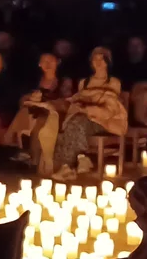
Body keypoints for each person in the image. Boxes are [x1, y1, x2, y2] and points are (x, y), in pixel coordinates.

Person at [52, 47, 128, 181]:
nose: (98, 62)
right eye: (95, 59)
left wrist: (88, 102)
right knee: (74, 122)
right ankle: (80, 159)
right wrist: (84, 101)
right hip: (84, 117)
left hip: (104, 119)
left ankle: (69, 166)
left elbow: (109, 102)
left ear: (107, 62)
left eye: (101, 59)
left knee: (78, 121)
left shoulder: (113, 81)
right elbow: (79, 100)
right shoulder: (84, 82)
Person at [3, 53, 73, 174]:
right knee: (25, 111)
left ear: (57, 62)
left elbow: (66, 101)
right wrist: (30, 98)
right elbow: (22, 99)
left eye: (51, 60)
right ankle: (22, 150)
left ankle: (30, 155)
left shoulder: (63, 81)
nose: (47, 64)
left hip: (53, 114)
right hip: (34, 111)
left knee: (40, 119)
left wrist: (45, 101)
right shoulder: (35, 80)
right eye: (44, 61)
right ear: (39, 64)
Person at [116, 36, 147, 127]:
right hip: (129, 103)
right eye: (132, 45)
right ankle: (142, 118)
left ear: (144, 47)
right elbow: (125, 91)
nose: (134, 48)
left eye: (137, 45)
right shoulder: (122, 67)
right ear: (128, 48)